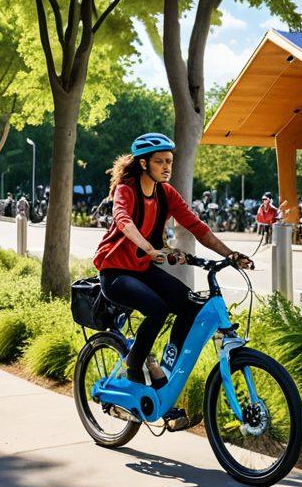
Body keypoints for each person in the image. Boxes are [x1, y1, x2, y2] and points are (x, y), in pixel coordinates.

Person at [93, 132, 252, 392]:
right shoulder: (126, 190)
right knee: (157, 309)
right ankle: (134, 367)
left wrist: (231, 254)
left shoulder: (166, 193)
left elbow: (197, 227)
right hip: (115, 273)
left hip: (143, 270)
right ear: (143, 163)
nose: (167, 167)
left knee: (189, 305)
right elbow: (123, 220)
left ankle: (168, 367)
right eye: (160, 161)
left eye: (169, 161)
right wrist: (148, 248)